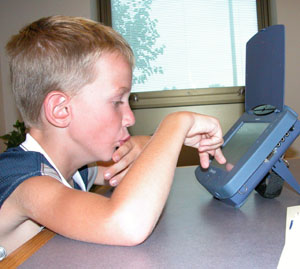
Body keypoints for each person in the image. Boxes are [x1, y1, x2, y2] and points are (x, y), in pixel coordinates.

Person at [0, 15, 226, 256]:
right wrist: (174, 126)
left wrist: (156, 143)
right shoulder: (25, 180)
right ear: (61, 110)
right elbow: (125, 223)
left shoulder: (74, 170)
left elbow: (131, 162)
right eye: (117, 101)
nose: (130, 118)